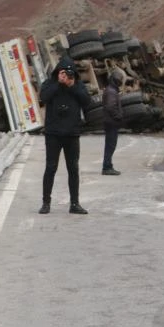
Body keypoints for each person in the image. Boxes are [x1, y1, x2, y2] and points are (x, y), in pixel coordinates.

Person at [39, 56, 92, 214]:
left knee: (73, 169)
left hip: (72, 133)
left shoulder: (77, 84)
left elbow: (87, 101)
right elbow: (43, 97)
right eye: (63, 73)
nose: (66, 75)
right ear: (57, 72)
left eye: (69, 73)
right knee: (51, 167)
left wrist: (72, 85)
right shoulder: (50, 83)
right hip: (53, 134)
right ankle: (46, 202)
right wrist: (58, 84)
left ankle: (74, 203)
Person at [101, 72, 124, 175]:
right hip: (111, 122)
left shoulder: (111, 90)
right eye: (119, 80)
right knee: (110, 146)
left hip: (110, 121)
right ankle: (107, 167)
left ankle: (108, 166)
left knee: (110, 145)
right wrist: (117, 116)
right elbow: (110, 106)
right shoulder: (111, 92)